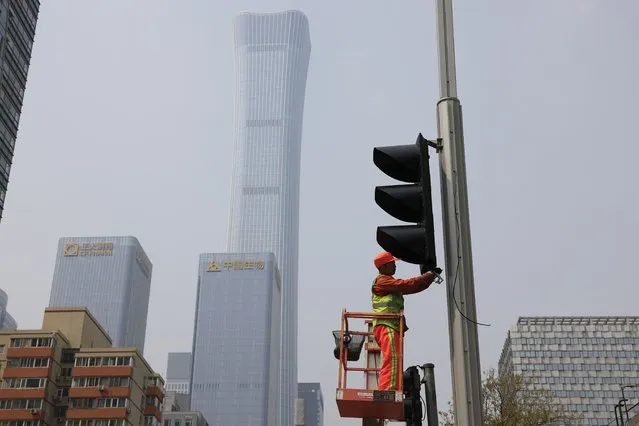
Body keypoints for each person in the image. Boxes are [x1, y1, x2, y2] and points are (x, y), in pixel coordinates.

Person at [371, 251, 441, 391]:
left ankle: (393, 388)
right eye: (392, 263)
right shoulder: (382, 281)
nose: (395, 266)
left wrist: (428, 278)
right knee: (392, 358)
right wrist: (426, 276)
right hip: (386, 324)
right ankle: (387, 390)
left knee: (395, 358)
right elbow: (405, 284)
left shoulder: (390, 284)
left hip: (392, 325)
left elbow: (412, 286)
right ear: (384, 266)